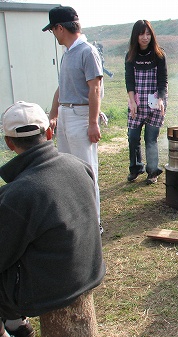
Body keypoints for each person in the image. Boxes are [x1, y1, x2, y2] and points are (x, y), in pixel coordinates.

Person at [0, 102, 105, 337]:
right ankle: (17, 325)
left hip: (54, 290)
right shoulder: (80, 166)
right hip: (90, 271)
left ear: (9, 143)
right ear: (49, 132)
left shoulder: (18, 194)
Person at [42, 6, 104, 229]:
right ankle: (75, 217)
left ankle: (93, 223)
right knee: (66, 169)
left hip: (81, 115)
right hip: (67, 114)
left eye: (52, 30)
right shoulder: (68, 53)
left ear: (60, 28)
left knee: (86, 170)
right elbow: (62, 86)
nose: (53, 35)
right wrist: (53, 114)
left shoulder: (87, 51)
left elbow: (94, 88)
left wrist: (92, 122)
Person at [125, 20, 167, 184]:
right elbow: (129, 80)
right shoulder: (130, 56)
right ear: (136, 36)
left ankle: (152, 171)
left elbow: (163, 79)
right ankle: (136, 168)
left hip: (156, 101)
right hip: (136, 101)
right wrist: (132, 100)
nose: (145, 37)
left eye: (148, 33)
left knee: (151, 138)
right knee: (133, 136)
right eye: (142, 34)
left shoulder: (159, 55)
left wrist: (161, 98)